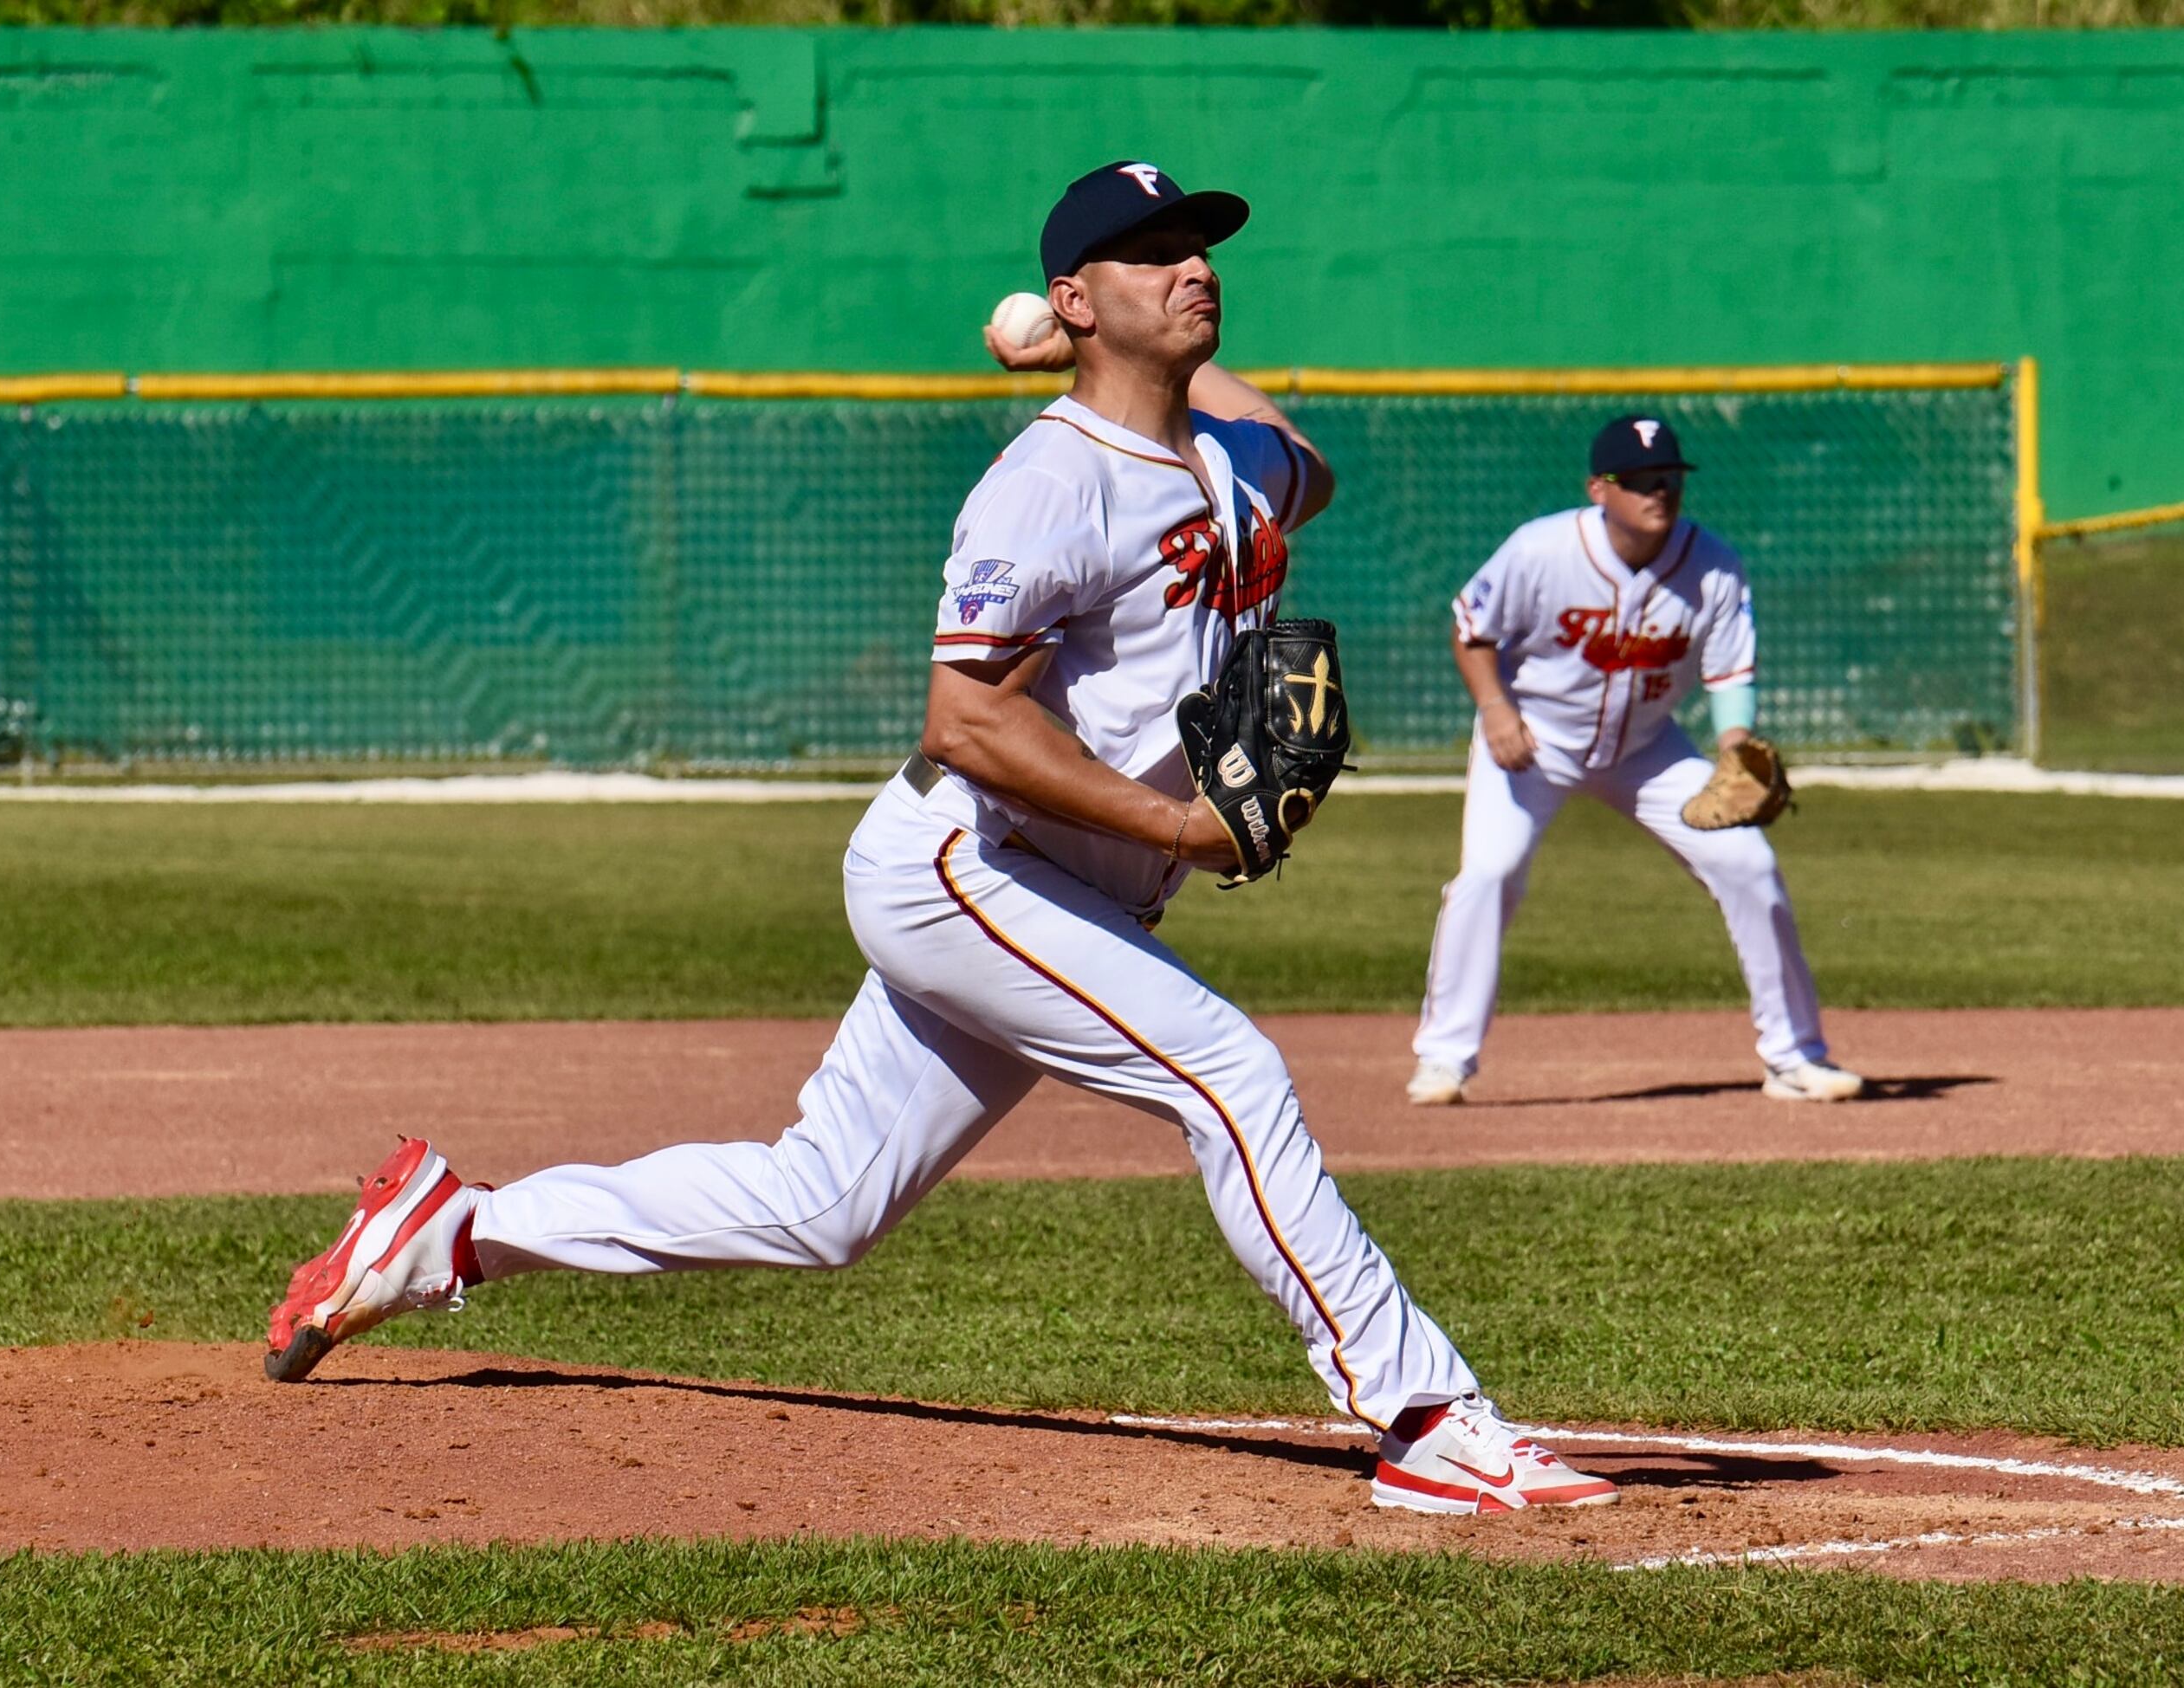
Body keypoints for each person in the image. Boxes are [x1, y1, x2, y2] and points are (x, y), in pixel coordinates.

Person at [265, 161, 1618, 1518]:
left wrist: (1093, 341)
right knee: (1231, 1073)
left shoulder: (1239, 466)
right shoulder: (1046, 485)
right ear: (1082, 297)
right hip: (962, 866)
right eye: (1150, 253)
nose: (1194, 266)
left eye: (1198, 243)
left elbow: (1296, 459)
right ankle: (1427, 1416)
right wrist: (1178, 824)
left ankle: (449, 1230)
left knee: (825, 1203)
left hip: (1062, 891)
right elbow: (967, 721)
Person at [1408, 415, 1865, 1109]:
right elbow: (1473, 629)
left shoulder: (1713, 565)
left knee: (1750, 864)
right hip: (1534, 740)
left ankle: (1795, 1057)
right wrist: (1497, 711)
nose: (1660, 491)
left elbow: (1729, 671)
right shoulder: (1542, 550)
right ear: (1600, 487)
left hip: (1647, 748)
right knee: (1488, 873)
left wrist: (1735, 748)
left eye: (1671, 479)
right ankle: (1443, 1059)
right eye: (1642, 480)